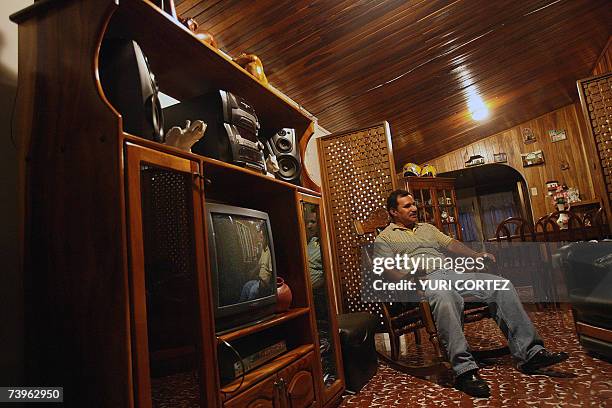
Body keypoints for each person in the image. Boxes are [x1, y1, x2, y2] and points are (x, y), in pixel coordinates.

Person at [374, 189, 568, 398]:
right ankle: (464, 370)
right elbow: (387, 269)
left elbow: (452, 244)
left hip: (450, 272)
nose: (414, 209)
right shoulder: (384, 238)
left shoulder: (427, 228)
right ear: (393, 212)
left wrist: (477, 254)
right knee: (446, 297)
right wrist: (411, 272)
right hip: (422, 280)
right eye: (407, 206)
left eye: (414, 205)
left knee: (502, 285)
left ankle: (531, 355)